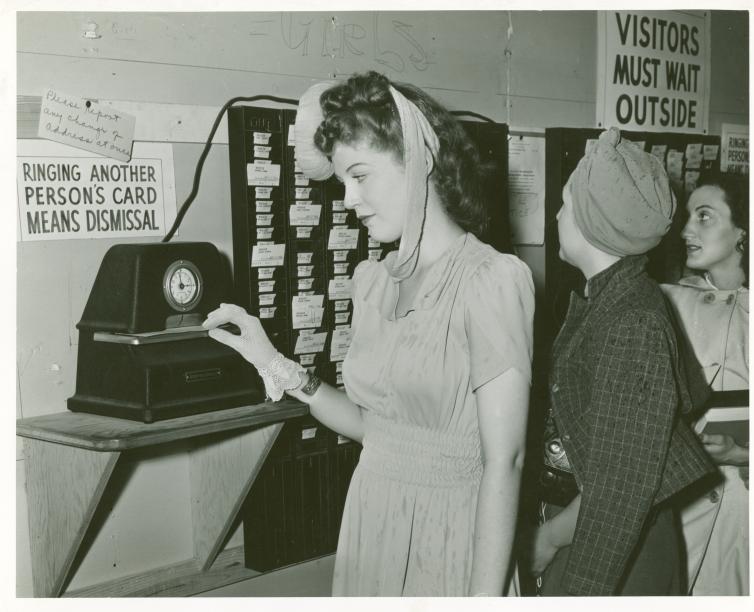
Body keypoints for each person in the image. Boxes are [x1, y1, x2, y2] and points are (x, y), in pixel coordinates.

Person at [204, 71, 535, 596]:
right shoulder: (374, 283)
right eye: (341, 183)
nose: (349, 200)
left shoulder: (490, 281)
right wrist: (275, 363)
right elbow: (372, 429)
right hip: (372, 525)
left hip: (451, 536)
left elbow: (506, 460)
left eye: (361, 176)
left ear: (421, 159)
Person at [529, 127, 715, 595]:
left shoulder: (632, 320)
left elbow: (619, 489)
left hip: (615, 552)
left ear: (593, 223)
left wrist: (574, 582)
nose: (556, 214)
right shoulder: (612, 298)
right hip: (599, 532)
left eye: (567, 204)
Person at [660, 173, 749, 595]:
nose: (686, 230)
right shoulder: (665, 302)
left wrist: (745, 455)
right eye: (688, 216)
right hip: (680, 503)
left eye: (704, 217)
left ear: (742, 233)